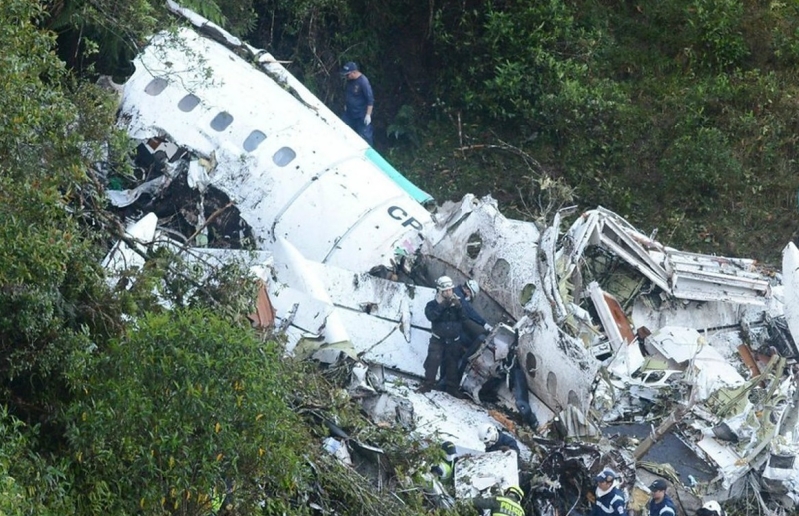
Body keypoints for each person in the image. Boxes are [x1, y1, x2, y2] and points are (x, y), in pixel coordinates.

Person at [417, 276, 468, 398]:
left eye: (450, 290)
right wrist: (442, 305)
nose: (449, 293)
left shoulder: (458, 303)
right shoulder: (432, 304)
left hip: (454, 341)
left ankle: (452, 388)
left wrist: (459, 307)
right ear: (440, 291)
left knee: (452, 365)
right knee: (432, 362)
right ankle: (428, 384)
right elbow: (431, 316)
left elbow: (465, 318)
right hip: (438, 340)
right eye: (446, 291)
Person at [339, 61, 374, 145]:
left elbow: (370, 99)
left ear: (354, 72)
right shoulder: (350, 80)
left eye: (348, 74)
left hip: (360, 115)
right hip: (349, 113)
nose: (346, 76)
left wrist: (368, 115)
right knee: (341, 129)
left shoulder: (363, 82)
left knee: (365, 137)